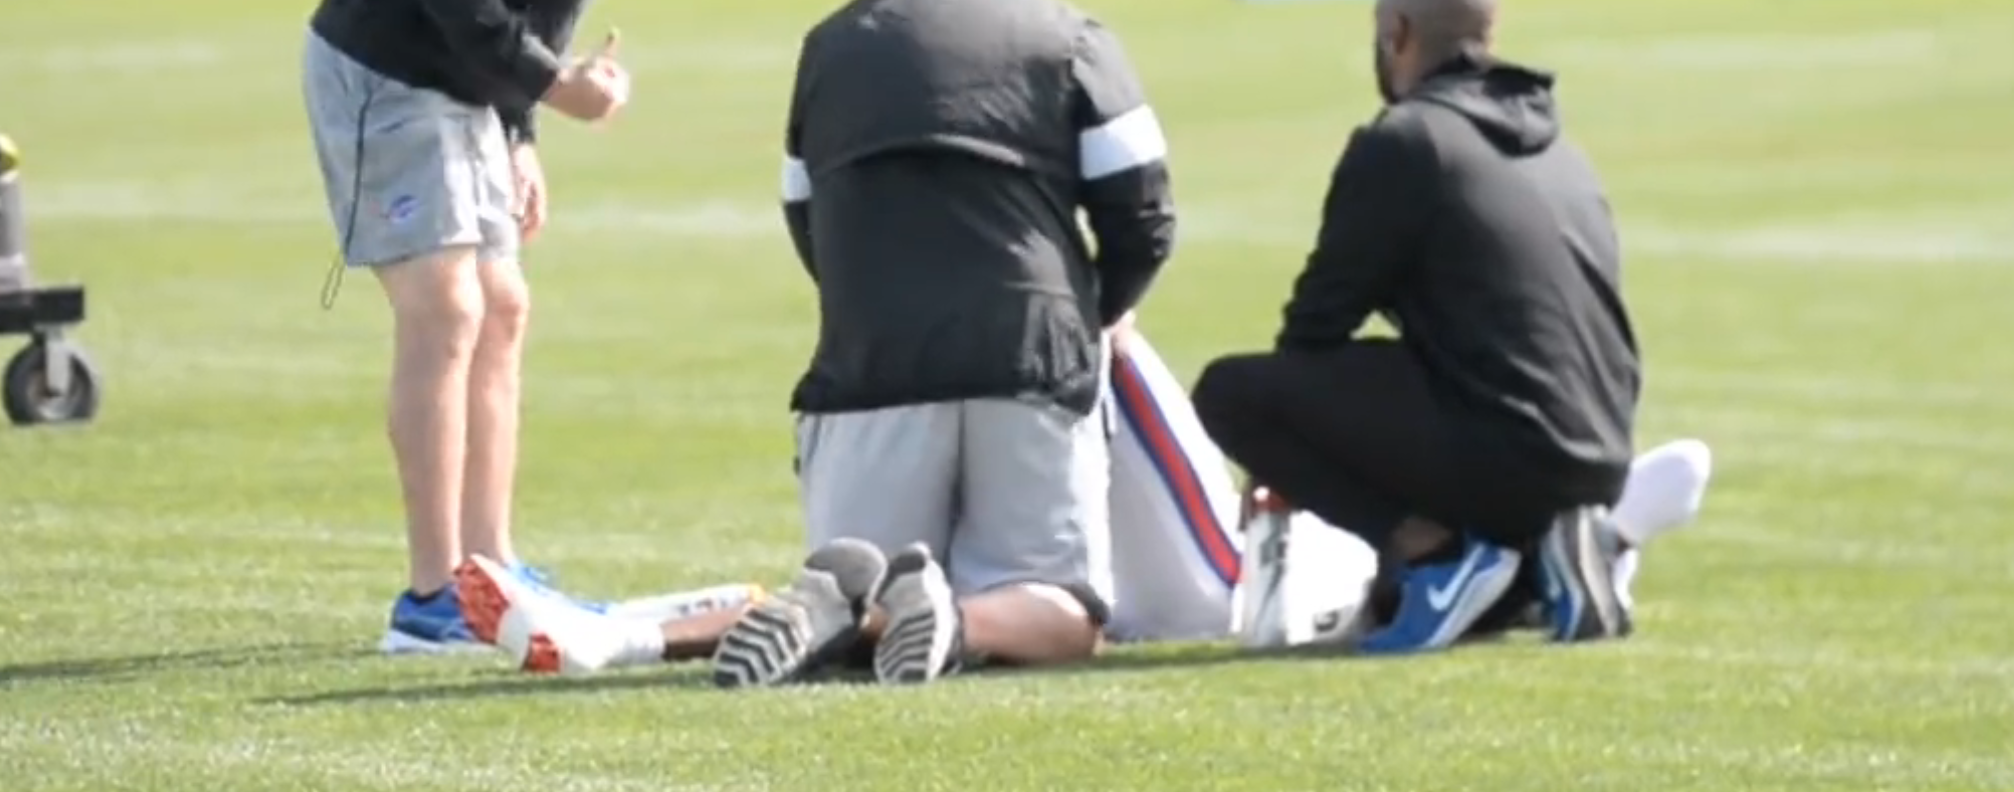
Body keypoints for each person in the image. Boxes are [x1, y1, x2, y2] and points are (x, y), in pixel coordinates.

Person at [298, 0, 760, 654]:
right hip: (388, 67)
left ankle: (487, 568)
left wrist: (518, 127)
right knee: (449, 308)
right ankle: (432, 599)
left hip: (460, 82)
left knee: (504, 305)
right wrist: (552, 83)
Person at [437, 326, 1712, 676]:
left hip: (1135, 545)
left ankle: (616, 629)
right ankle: (1580, 551)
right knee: (1236, 596)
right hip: (1193, 564)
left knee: (865, 594)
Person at [711, 0, 1176, 688]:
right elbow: (1145, 213)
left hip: (869, 365)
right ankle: (952, 615)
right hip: (1028, 355)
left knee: (850, 588)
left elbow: (806, 215)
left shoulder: (831, 43)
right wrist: (1097, 312)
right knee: (1064, 617)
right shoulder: (1074, 36)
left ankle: (846, 611)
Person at [1190, 0, 1647, 656]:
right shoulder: (1561, 148)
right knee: (1428, 377)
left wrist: (1283, 462)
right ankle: (1546, 558)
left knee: (1231, 393)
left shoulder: (1405, 143)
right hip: (1602, 448)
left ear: (1396, 33)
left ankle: (1437, 560)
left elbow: (1318, 323)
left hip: (1509, 449)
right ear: (1488, 33)